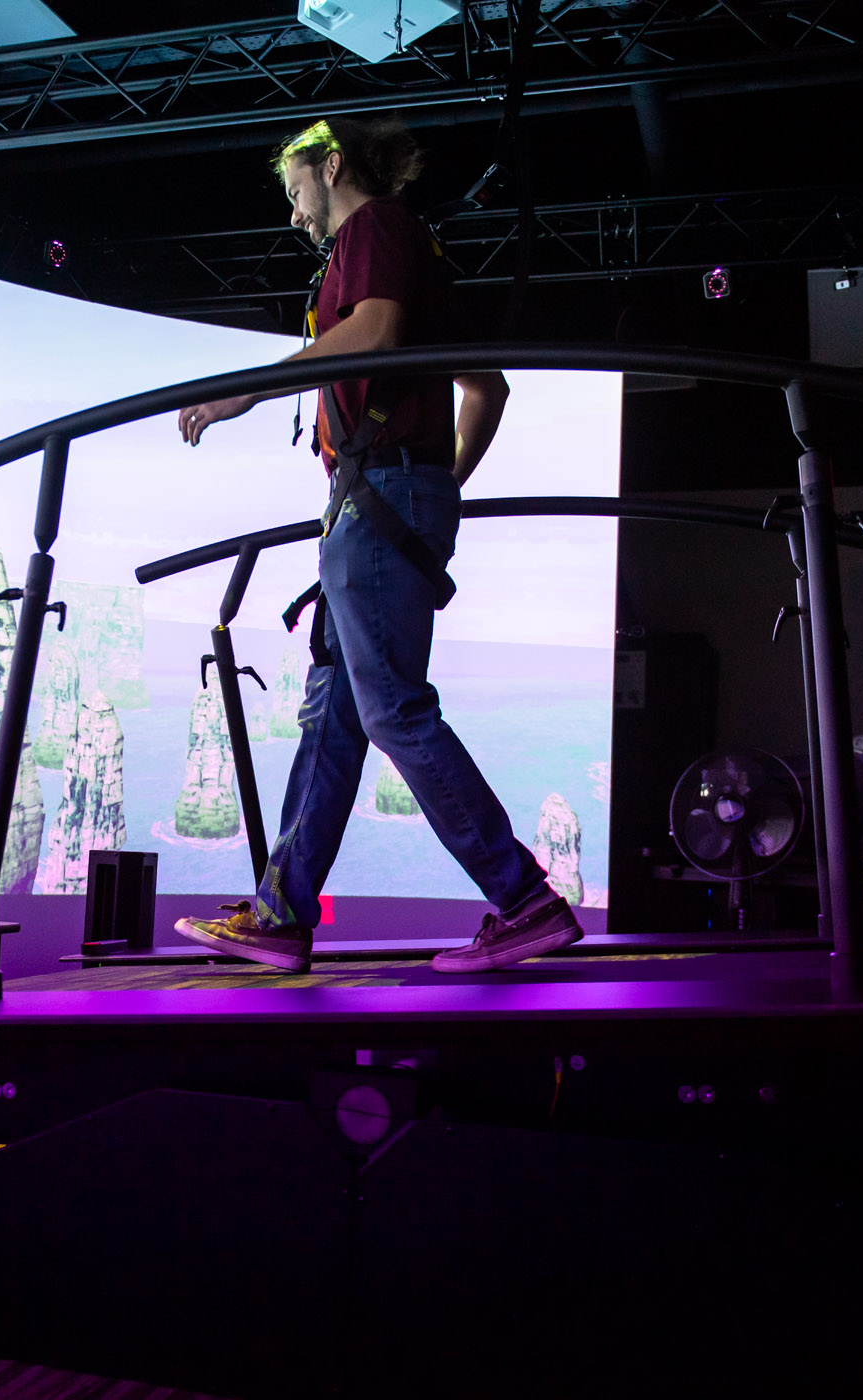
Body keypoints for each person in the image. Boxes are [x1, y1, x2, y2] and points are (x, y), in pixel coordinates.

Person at [170, 117, 580, 975]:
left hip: (379, 502)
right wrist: (437, 485)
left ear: (329, 166)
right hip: (382, 501)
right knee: (336, 715)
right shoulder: (407, 246)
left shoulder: (377, 229)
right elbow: (487, 388)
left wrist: (249, 394)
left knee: (390, 708)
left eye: (294, 194)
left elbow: (380, 330)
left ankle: (523, 899)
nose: (294, 217)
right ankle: (283, 913)